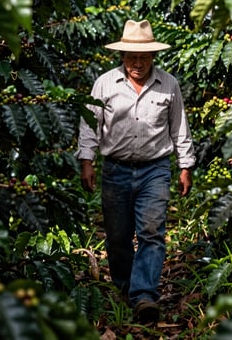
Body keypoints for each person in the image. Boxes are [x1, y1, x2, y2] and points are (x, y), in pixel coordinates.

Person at [75, 19, 196, 323]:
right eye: (132, 57)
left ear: (153, 56)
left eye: (144, 57)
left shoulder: (169, 84)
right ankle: (126, 288)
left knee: (152, 233)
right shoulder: (105, 83)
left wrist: (185, 165)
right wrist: (86, 160)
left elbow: (179, 126)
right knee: (117, 237)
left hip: (155, 169)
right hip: (115, 169)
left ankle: (144, 296)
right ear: (122, 56)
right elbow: (90, 123)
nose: (138, 63)